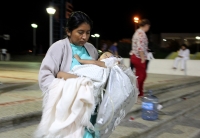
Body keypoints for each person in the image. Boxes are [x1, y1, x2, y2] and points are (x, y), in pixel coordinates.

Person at [37, 11, 99, 138]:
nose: (84, 37)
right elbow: (45, 75)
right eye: (80, 32)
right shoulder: (59, 47)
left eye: (88, 33)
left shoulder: (91, 49)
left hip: (88, 106)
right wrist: (69, 87)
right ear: (69, 31)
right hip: (66, 107)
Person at [129, 19, 151, 103]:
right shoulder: (141, 34)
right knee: (141, 76)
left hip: (136, 56)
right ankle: (136, 95)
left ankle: (140, 94)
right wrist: (142, 58)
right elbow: (140, 48)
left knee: (141, 76)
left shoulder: (138, 32)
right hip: (138, 57)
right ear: (146, 26)